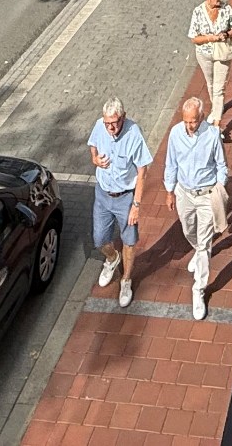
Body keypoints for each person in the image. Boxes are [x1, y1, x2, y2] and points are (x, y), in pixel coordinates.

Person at [163, 95, 230, 320]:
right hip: (184, 193)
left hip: (206, 195)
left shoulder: (211, 135)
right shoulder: (175, 134)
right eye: (187, 121)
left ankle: (198, 289)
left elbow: (221, 165)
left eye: (194, 121)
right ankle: (199, 248)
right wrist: (169, 191)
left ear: (201, 117)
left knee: (204, 243)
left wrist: (220, 188)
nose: (190, 126)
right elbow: (170, 163)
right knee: (188, 231)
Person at [87, 97, 152, 308]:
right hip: (103, 194)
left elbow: (142, 172)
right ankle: (112, 258)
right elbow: (93, 146)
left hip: (125, 197)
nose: (111, 127)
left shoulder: (134, 134)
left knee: (129, 241)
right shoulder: (100, 125)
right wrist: (95, 160)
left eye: (114, 123)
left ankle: (126, 280)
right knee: (99, 240)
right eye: (108, 123)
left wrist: (136, 205)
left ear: (123, 117)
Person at [188, 0, 232, 128]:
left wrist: (226, 34)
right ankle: (216, 107)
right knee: (210, 84)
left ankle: (217, 123)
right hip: (204, 54)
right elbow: (193, 38)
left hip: (222, 53)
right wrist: (210, 38)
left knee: (219, 87)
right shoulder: (198, 12)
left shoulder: (226, 9)